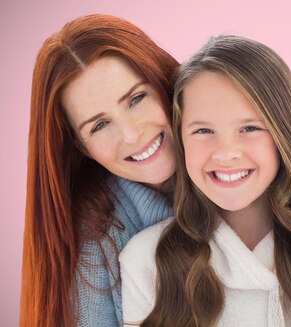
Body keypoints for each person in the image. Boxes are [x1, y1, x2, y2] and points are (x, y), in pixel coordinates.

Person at [120, 35, 291, 326]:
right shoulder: (147, 261)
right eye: (202, 131)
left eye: (249, 128)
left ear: (284, 134)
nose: (225, 154)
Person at [20, 14, 179, 327]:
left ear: (164, 81)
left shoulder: (239, 167)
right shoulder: (96, 248)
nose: (132, 135)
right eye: (100, 125)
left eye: (136, 98)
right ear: (82, 147)